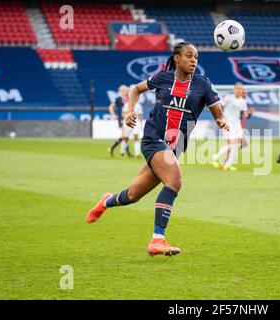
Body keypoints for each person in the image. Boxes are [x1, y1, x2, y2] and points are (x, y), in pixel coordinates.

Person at [86, 42, 228, 256]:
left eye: (196, 57)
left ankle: (105, 202)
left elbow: (217, 110)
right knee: (174, 181)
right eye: (189, 56)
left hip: (175, 147)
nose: (193, 60)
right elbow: (136, 89)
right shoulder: (163, 78)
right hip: (154, 139)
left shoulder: (203, 84)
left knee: (133, 195)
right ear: (177, 58)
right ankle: (157, 240)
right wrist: (130, 111)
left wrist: (221, 121)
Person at [212, 82, 254, 171]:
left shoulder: (242, 101)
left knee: (238, 145)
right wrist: (221, 118)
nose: (239, 90)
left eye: (241, 88)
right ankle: (216, 156)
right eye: (238, 88)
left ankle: (228, 164)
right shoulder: (228, 98)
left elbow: (245, 114)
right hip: (228, 125)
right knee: (232, 144)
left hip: (237, 125)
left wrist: (249, 113)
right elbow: (220, 107)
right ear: (234, 89)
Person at [107, 85, 132, 157]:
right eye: (122, 90)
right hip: (121, 119)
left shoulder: (129, 99)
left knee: (126, 136)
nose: (124, 91)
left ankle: (128, 153)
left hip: (128, 119)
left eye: (125, 90)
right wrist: (113, 115)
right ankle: (113, 148)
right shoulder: (118, 99)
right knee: (124, 136)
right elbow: (111, 107)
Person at [123, 84, 144, 158]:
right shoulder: (127, 104)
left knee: (136, 137)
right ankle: (122, 152)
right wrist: (126, 119)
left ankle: (137, 154)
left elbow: (140, 115)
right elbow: (123, 113)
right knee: (126, 138)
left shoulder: (139, 105)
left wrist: (141, 124)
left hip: (136, 123)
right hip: (128, 122)